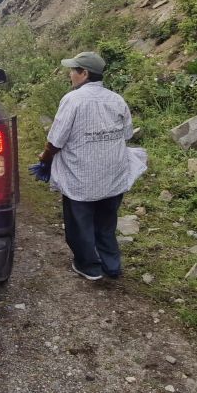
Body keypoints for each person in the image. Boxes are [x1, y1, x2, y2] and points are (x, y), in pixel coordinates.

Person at [37, 51, 145, 281]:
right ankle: (111, 266)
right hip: (113, 174)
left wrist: (45, 158)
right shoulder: (117, 99)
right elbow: (127, 134)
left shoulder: (73, 100)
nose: (70, 74)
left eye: (72, 70)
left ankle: (89, 266)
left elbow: (56, 141)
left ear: (84, 73)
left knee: (80, 224)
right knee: (106, 223)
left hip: (82, 176)